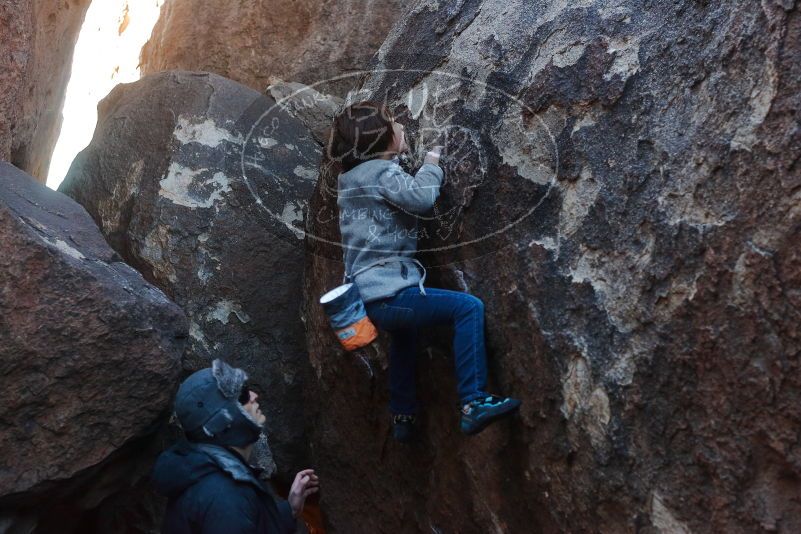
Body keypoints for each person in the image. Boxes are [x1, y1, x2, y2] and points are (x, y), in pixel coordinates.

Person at [329, 100, 521, 443]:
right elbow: (420, 198)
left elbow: (384, 184)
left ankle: (403, 413)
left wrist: (396, 159)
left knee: (405, 337)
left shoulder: (349, 179)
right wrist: (431, 163)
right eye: (393, 123)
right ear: (381, 139)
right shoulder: (382, 174)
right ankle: (473, 401)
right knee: (468, 308)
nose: (401, 125)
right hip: (391, 293)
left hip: (371, 300)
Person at [152, 359, 319, 533]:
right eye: (243, 395)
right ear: (223, 422)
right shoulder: (226, 498)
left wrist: (289, 510)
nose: (254, 396)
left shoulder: (207, 473)